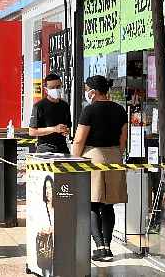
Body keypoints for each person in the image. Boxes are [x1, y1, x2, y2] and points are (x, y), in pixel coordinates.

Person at [71, 75, 128, 262]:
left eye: (87, 89)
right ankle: (108, 246)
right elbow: (123, 139)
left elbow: (79, 139)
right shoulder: (120, 110)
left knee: (92, 203)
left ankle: (100, 247)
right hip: (114, 157)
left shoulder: (89, 110)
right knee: (109, 204)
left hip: (93, 157)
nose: (86, 92)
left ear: (93, 92)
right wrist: (116, 155)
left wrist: (74, 160)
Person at [29, 73, 72, 154]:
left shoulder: (65, 105)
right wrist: (54, 129)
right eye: (52, 88)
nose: (55, 89)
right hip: (45, 148)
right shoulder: (39, 106)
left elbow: (67, 126)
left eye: (58, 87)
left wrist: (65, 130)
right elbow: (32, 131)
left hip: (62, 147)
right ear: (46, 90)